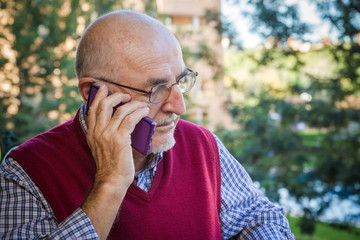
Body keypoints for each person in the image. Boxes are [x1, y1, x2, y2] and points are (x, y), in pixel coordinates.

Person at [0, 10, 295, 239]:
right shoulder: (25, 171)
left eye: (180, 81)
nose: (179, 106)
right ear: (94, 93)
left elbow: (259, 217)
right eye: (156, 90)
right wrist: (110, 183)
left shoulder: (203, 144)